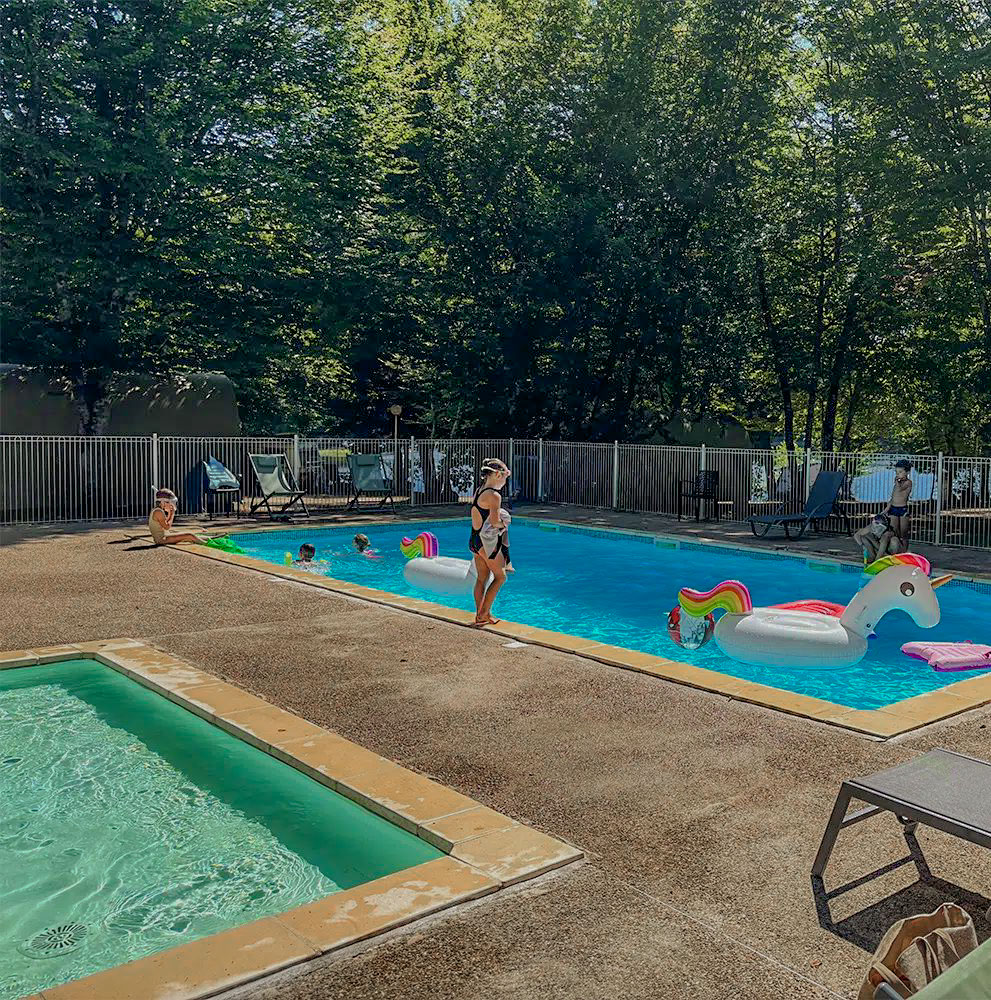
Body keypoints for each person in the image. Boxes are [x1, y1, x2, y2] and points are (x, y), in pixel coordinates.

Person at [468, 458, 512, 627]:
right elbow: (494, 522)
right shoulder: (494, 495)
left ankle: (481, 614)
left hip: (474, 540)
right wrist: (505, 523)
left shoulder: (480, 490)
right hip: (485, 544)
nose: (505, 481)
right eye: (504, 477)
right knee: (501, 577)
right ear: (497, 474)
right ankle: (483, 614)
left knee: (482, 578)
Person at [885, 460, 913, 549]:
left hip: (902, 510)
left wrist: (897, 482)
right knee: (894, 531)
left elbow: (900, 489)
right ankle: (897, 549)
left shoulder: (908, 482)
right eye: (896, 472)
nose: (898, 474)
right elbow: (892, 498)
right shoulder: (896, 484)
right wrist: (886, 510)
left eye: (900, 472)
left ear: (907, 472)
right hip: (894, 509)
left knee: (903, 532)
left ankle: (905, 550)